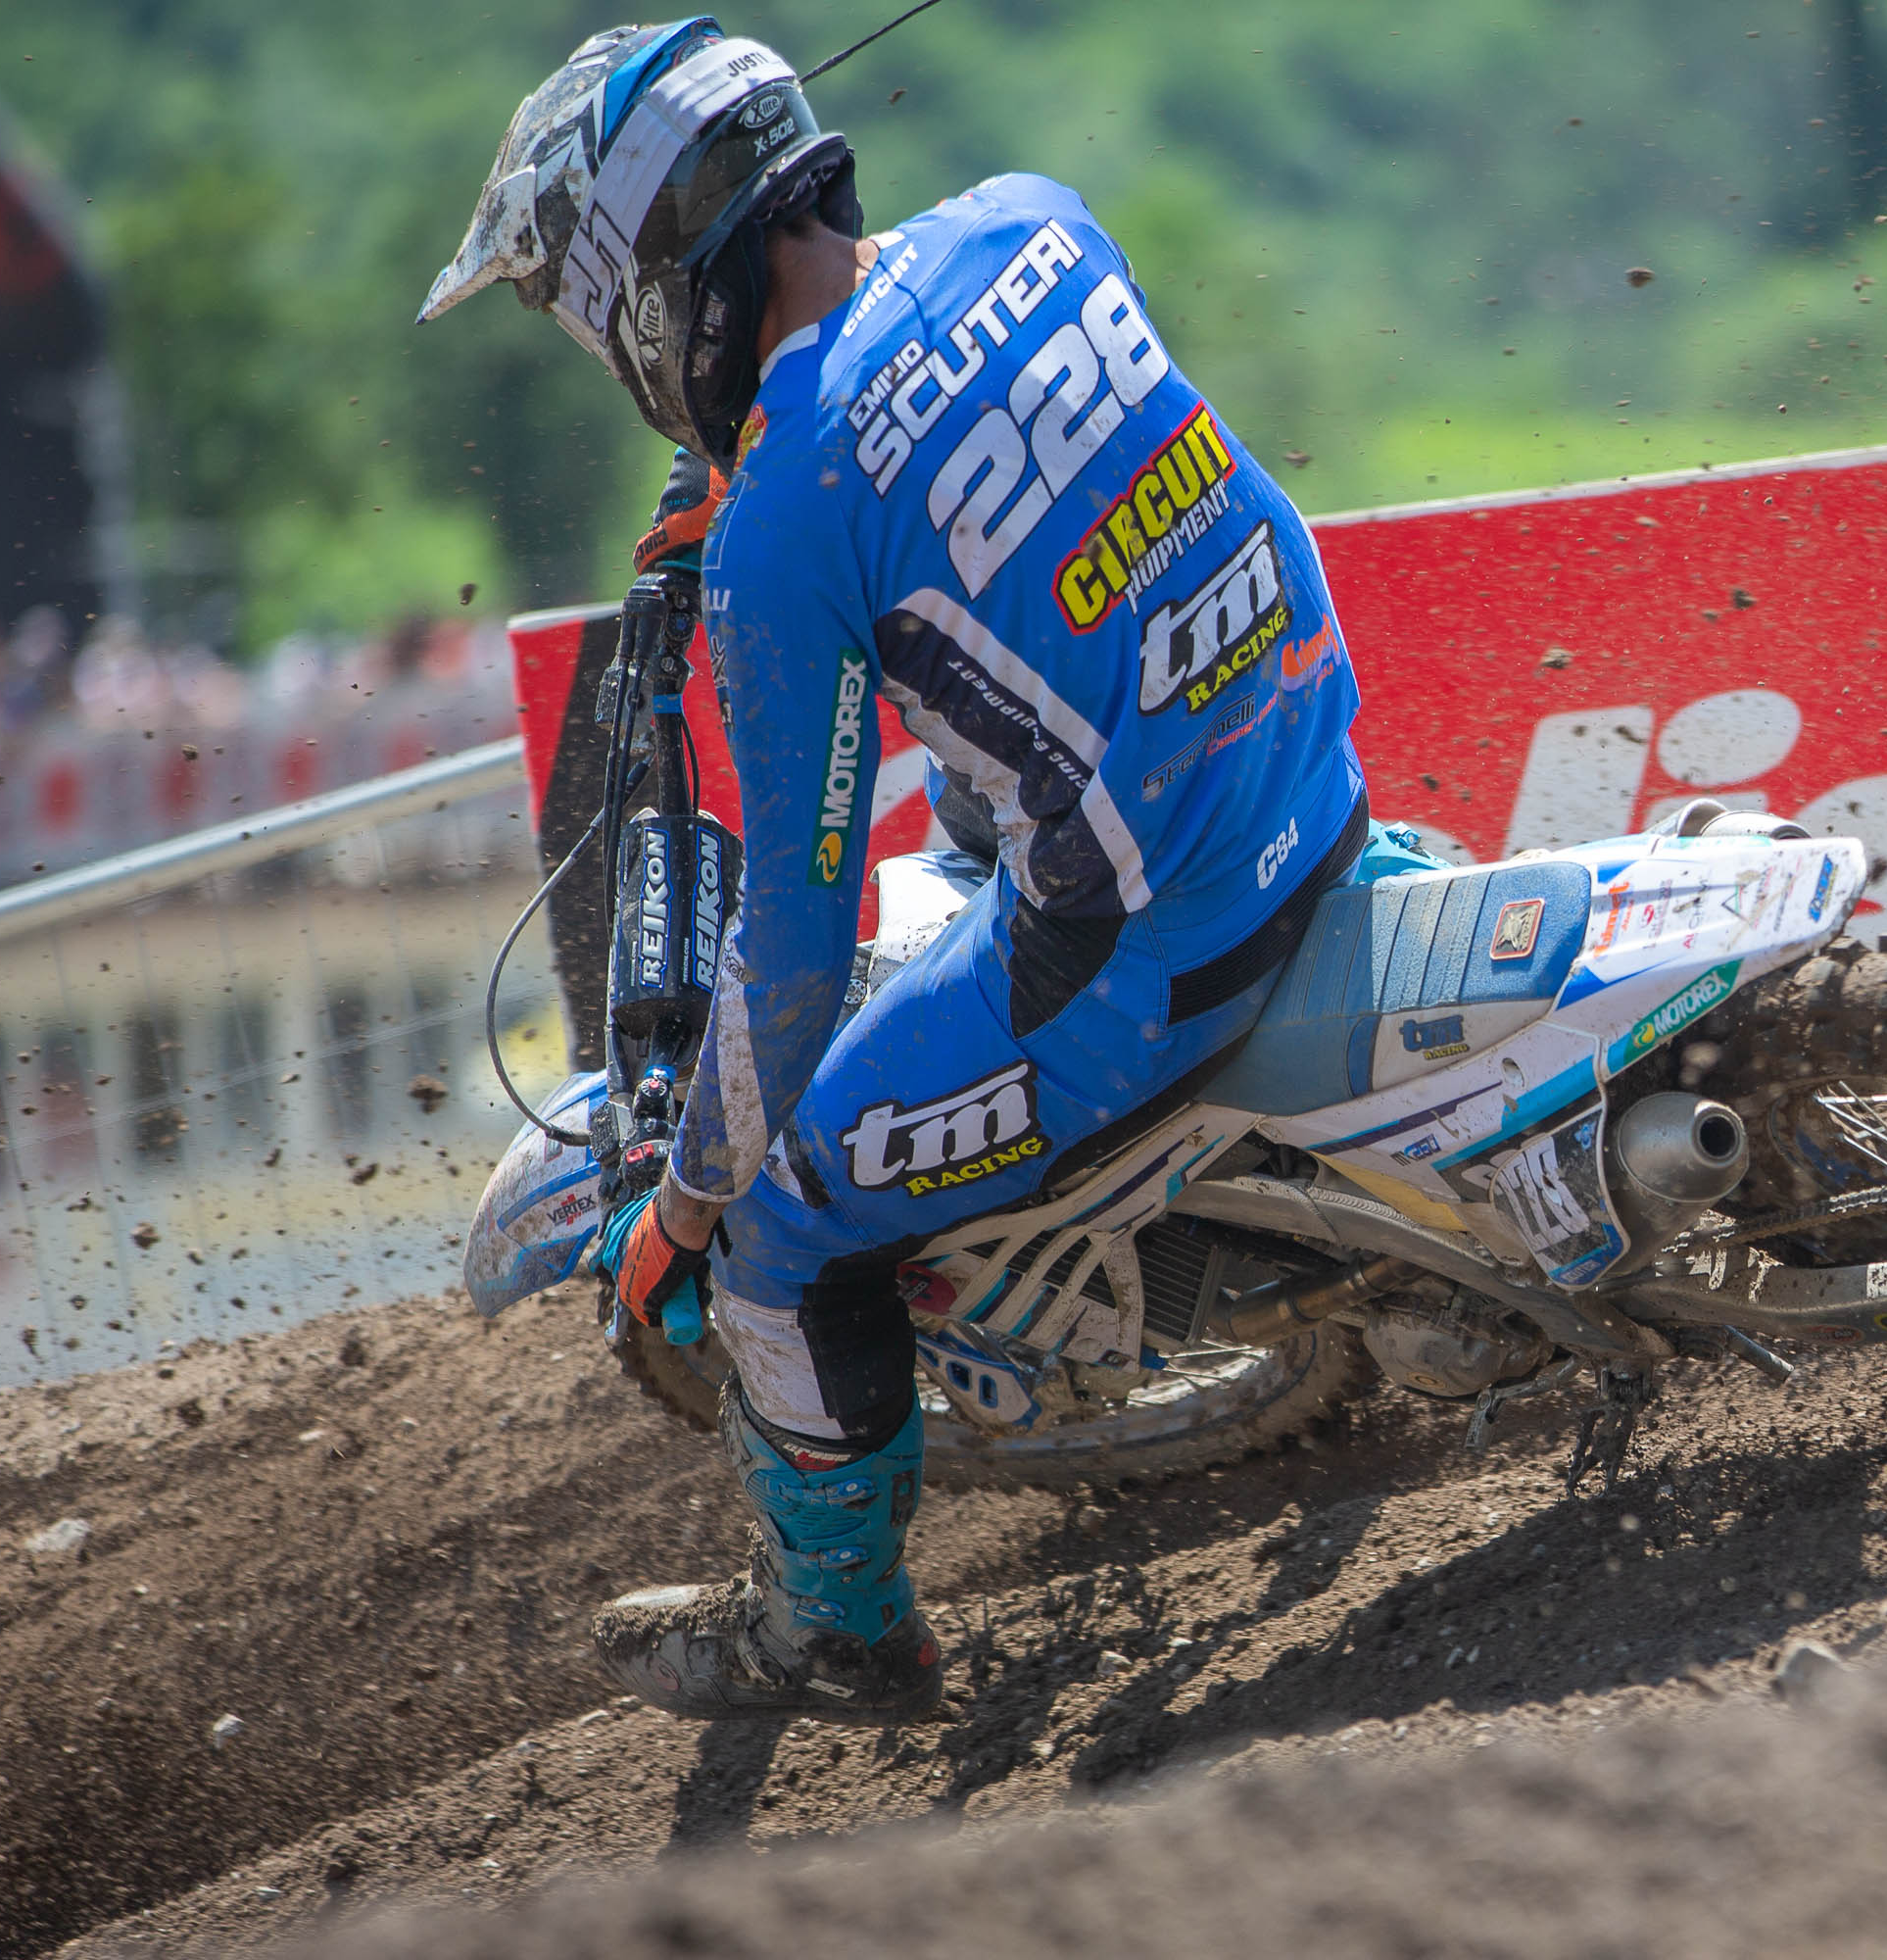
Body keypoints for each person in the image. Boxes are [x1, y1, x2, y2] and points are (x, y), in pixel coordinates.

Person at [421, 18, 1377, 1721]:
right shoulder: (1029, 217)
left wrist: (686, 1209)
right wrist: (745, 472)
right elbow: (931, 422)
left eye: (591, 312)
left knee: (785, 1226)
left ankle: (835, 1633)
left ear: (655, 282)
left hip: (1159, 930)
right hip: (1303, 758)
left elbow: (793, 954)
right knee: (976, 813)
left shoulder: (788, 525)